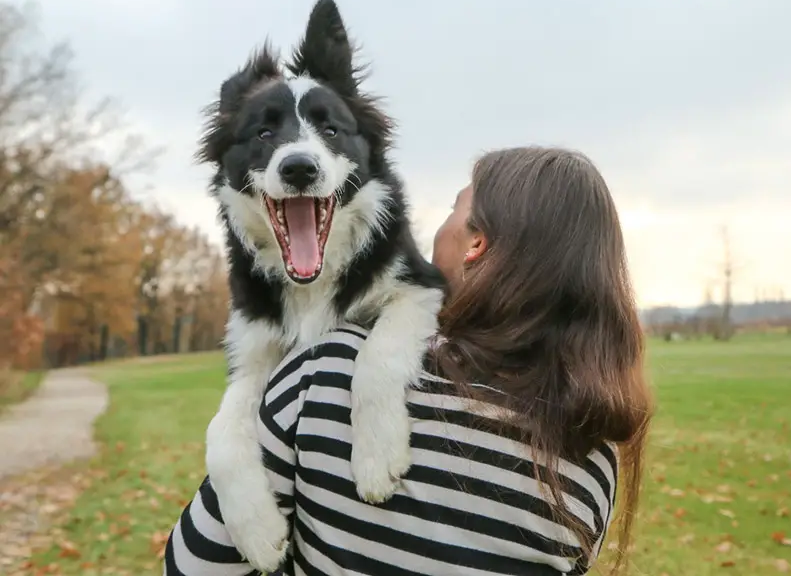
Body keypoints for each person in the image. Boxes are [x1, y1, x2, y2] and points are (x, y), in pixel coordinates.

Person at [164, 146, 653, 576]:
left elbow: (193, 567)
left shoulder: (326, 372)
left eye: (452, 209)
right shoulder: (593, 456)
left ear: (476, 243)